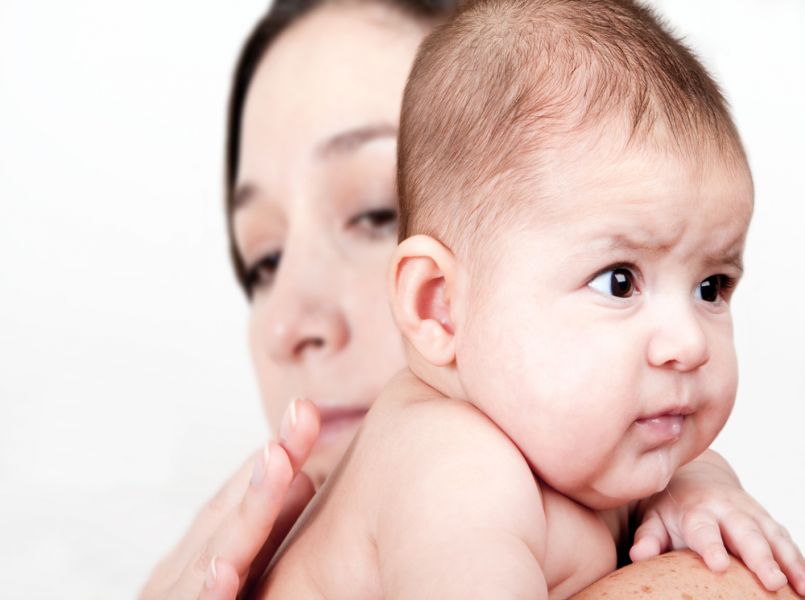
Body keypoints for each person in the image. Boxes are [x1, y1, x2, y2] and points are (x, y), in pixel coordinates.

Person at [139, 0, 805, 598]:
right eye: (619, 281)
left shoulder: (571, 440)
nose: (688, 342)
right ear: (438, 307)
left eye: (711, 287)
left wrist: (701, 489)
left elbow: (661, 471)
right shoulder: (453, 469)